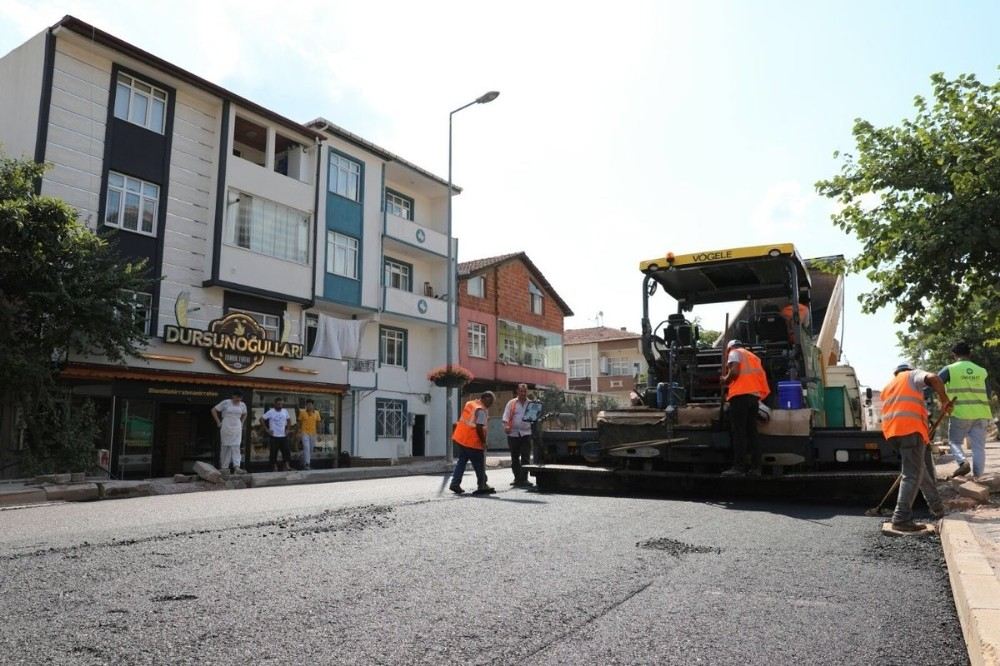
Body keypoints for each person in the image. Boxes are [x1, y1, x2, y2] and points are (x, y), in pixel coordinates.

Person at [881, 363, 951, 531]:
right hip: (910, 429)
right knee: (912, 474)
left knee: (919, 470)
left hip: (893, 432)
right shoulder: (911, 375)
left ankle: (937, 507)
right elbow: (934, 378)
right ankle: (901, 518)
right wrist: (944, 400)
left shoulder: (889, 386)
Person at [939, 341, 993, 478]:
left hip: (960, 413)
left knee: (955, 442)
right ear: (970, 354)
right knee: (978, 448)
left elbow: (934, 382)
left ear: (953, 355)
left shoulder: (950, 369)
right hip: (981, 414)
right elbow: (988, 394)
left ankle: (963, 462)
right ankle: (978, 477)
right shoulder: (982, 371)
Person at [720, 340, 770, 476]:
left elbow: (735, 372)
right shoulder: (753, 357)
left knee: (739, 433)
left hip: (740, 396)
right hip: (753, 397)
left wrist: (725, 379)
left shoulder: (734, 353)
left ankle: (738, 467)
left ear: (730, 348)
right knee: (752, 432)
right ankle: (756, 468)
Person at [449, 391, 496, 496]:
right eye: (490, 401)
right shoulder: (481, 410)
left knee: (461, 462)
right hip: (473, 442)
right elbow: (479, 428)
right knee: (479, 464)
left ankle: (455, 483)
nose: (491, 404)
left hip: (461, 438)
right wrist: (483, 442)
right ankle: (482, 484)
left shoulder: (470, 403)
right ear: (484, 398)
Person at [502, 383, 534, 487]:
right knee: (514, 457)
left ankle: (524, 479)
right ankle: (517, 478)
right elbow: (505, 417)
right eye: (521, 391)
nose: (523, 393)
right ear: (517, 391)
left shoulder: (531, 404)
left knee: (525, 457)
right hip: (513, 434)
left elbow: (534, 419)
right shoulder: (511, 403)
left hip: (526, 434)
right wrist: (506, 427)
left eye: (525, 391)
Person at [212, 391, 247, 473]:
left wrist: (242, 422)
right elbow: (213, 410)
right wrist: (218, 422)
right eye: (236, 398)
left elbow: (245, 413)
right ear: (233, 396)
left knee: (236, 445)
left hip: (237, 425)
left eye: (239, 399)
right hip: (226, 424)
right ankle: (224, 467)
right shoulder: (226, 402)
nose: (238, 400)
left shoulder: (242, 404)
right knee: (225, 445)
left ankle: (237, 467)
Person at [261, 398, 292, 472]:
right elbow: (261, 419)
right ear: (274, 404)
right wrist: (267, 430)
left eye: (281, 404)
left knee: (286, 451)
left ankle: (286, 465)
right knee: (273, 452)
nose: (280, 405)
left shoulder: (285, 411)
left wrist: (288, 429)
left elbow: (289, 420)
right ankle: (274, 466)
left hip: (283, 435)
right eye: (278, 404)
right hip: (274, 436)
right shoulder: (271, 412)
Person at [297, 399, 322, 471]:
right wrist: (298, 432)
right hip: (304, 433)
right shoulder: (302, 412)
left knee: (310, 449)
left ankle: (302, 457)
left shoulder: (317, 413)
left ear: (313, 405)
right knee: (306, 447)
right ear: (306, 405)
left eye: (310, 405)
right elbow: (299, 423)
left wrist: (319, 434)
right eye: (308, 405)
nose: (309, 406)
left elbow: (318, 424)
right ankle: (307, 464)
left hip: (313, 433)